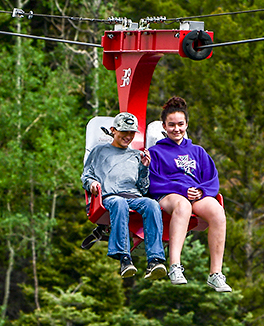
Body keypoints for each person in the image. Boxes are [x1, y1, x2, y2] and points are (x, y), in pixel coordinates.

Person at [149, 96, 232, 292]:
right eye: (171, 125)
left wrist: (201, 191)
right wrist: (182, 190)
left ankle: (215, 274)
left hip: (195, 195)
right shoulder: (156, 152)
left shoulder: (198, 152)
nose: (176, 129)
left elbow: (212, 178)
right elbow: (153, 181)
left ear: (186, 124)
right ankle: (175, 266)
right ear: (164, 126)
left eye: (180, 124)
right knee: (183, 205)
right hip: (169, 194)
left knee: (218, 212)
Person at [82, 112, 167, 279]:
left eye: (131, 133)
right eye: (124, 132)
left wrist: (144, 169)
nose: (128, 136)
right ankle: (124, 258)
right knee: (119, 203)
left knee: (151, 205)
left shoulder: (136, 155)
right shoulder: (99, 151)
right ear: (114, 130)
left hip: (133, 196)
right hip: (110, 196)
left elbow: (143, 189)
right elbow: (87, 175)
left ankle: (155, 259)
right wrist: (91, 184)